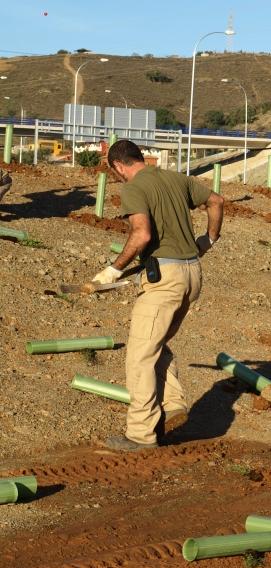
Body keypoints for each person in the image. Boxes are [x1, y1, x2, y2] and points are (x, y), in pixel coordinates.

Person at [93, 140, 224, 451]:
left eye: (116, 172)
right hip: (192, 274)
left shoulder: (133, 188)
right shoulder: (175, 178)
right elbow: (217, 200)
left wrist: (114, 268)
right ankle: (174, 405)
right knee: (156, 344)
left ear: (118, 166)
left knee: (139, 357)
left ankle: (140, 435)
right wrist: (209, 239)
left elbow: (142, 234)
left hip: (164, 280)